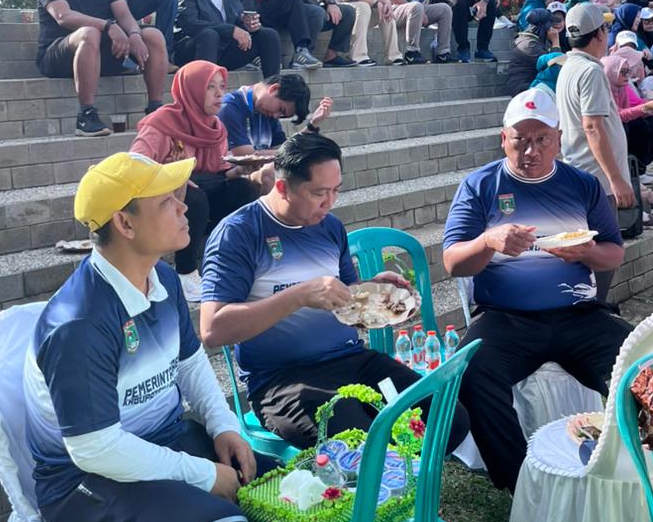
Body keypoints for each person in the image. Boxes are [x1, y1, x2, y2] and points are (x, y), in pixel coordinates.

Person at [23, 152, 300, 522]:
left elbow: (190, 363)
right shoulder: (79, 321)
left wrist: (224, 427)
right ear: (124, 223)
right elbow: (94, 447)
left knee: (269, 483)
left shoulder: (163, 278)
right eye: (168, 201)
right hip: (80, 480)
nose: (185, 206)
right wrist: (201, 474)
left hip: (154, 442)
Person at [199, 132, 470, 451]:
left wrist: (376, 292)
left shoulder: (329, 227)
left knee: (448, 417)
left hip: (352, 359)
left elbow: (346, 298)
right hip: (283, 380)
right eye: (319, 193)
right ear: (282, 187)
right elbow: (212, 330)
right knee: (359, 441)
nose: (329, 202)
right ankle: (381, 478)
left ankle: (403, 476)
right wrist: (299, 295)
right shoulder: (239, 233)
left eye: (336, 190)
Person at [442, 88, 628, 491]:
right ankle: (520, 482)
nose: (531, 151)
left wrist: (588, 251)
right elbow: (453, 262)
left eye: (542, 139)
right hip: (505, 318)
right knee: (469, 373)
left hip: (579, 313)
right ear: (502, 138)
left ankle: (626, 463)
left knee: (637, 365)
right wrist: (487, 241)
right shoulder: (480, 185)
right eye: (520, 139)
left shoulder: (583, 185)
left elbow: (614, 253)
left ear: (559, 139)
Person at [131, 62, 264, 302]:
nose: (219, 94)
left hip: (203, 191)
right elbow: (136, 164)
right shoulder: (161, 122)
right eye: (210, 87)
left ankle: (226, 256)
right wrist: (173, 177)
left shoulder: (216, 127)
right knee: (194, 195)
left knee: (244, 189)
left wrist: (239, 170)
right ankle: (186, 271)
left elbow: (217, 172)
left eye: (221, 86)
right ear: (191, 89)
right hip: (164, 198)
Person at [35, 0, 167, 136]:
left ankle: (155, 111)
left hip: (101, 53)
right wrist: (108, 26)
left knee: (153, 35)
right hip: (59, 55)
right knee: (89, 33)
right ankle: (86, 116)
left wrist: (134, 34)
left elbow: (123, 13)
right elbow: (63, 16)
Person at [556, 3, 635, 208]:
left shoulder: (569, 66)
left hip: (583, 174)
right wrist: (615, 178)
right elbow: (592, 127)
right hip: (598, 180)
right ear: (599, 33)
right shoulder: (591, 71)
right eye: (605, 27)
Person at [602, 56, 653, 181]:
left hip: (625, 122)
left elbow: (637, 103)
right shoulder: (604, 89)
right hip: (609, 128)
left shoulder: (623, 86)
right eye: (622, 72)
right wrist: (647, 107)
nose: (627, 75)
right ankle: (641, 168)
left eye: (628, 71)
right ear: (611, 72)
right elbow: (618, 115)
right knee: (639, 125)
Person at [219, 72, 333, 156]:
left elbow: (283, 147)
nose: (275, 116)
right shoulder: (229, 107)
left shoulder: (266, 111)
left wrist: (312, 124)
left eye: (281, 115)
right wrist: (299, 151)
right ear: (274, 89)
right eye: (280, 109)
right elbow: (246, 156)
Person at [507, 8, 554, 95]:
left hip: (532, 84)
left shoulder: (535, 40)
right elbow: (553, 65)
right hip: (522, 87)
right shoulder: (529, 44)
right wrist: (556, 42)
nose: (553, 29)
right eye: (551, 26)